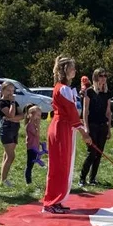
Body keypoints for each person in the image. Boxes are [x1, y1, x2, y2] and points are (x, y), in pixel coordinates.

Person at [43, 57, 91, 213]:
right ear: (64, 70)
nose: (74, 71)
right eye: (71, 68)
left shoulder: (64, 88)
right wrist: (84, 132)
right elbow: (71, 113)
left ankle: (57, 199)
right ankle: (51, 201)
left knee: (63, 165)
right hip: (61, 128)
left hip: (64, 128)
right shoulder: (63, 88)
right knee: (59, 166)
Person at [79, 68, 111, 187]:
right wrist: (86, 127)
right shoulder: (89, 92)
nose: (103, 78)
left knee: (99, 153)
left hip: (103, 125)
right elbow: (85, 111)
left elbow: (108, 112)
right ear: (95, 78)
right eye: (100, 76)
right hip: (92, 125)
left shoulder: (107, 93)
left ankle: (93, 178)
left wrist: (109, 129)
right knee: (92, 152)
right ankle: (82, 178)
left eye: (105, 76)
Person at [0, 82, 23, 188]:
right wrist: (12, 103)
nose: (11, 93)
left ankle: (2, 178)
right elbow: (11, 114)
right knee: (11, 156)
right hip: (6, 129)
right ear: (2, 91)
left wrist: (13, 118)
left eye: (13, 91)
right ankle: (4, 180)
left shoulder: (14, 103)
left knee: (7, 155)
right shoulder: (1, 103)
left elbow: (22, 115)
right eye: (8, 90)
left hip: (14, 129)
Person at [25, 105, 42, 185]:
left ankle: (29, 179)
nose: (39, 117)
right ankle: (28, 181)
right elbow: (37, 134)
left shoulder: (33, 125)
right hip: (31, 148)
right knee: (30, 165)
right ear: (31, 115)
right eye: (37, 115)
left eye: (40, 115)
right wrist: (38, 125)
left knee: (32, 164)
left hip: (35, 147)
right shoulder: (30, 125)